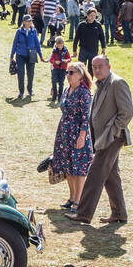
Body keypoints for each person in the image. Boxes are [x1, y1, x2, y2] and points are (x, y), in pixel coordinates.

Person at [65, 55, 131, 225]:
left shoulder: (117, 83)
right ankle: (119, 213)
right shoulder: (100, 84)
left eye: (100, 66)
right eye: (94, 67)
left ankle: (83, 213)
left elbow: (127, 112)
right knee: (111, 176)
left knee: (95, 173)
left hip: (112, 137)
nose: (97, 70)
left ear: (109, 66)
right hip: (102, 137)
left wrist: (113, 131)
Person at [48, 62, 94, 211]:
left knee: (78, 168)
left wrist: (82, 136)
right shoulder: (67, 89)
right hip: (64, 133)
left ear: (80, 75)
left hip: (78, 134)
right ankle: (72, 197)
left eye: (71, 72)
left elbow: (85, 117)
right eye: (67, 72)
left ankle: (78, 200)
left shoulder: (84, 93)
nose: (67, 75)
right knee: (68, 166)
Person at [10, 15, 42, 100]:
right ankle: (21, 92)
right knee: (21, 74)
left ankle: (30, 90)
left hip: (31, 54)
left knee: (30, 74)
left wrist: (41, 56)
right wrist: (11, 55)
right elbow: (14, 44)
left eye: (30, 21)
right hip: (20, 55)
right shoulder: (19, 31)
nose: (30, 22)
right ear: (24, 22)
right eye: (28, 21)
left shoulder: (34, 31)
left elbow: (37, 44)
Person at [72, 7, 106, 73]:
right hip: (83, 50)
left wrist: (103, 48)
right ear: (87, 16)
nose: (93, 17)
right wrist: (74, 50)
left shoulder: (98, 25)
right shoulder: (81, 25)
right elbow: (76, 38)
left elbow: (102, 37)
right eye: (91, 15)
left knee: (91, 69)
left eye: (94, 16)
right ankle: (81, 82)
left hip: (94, 50)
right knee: (81, 68)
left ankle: (89, 82)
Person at [48, 36, 71, 105]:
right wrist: (55, 62)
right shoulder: (54, 51)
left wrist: (66, 60)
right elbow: (51, 60)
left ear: (63, 44)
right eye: (58, 45)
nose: (60, 47)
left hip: (63, 69)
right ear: (56, 44)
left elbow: (69, 58)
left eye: (61, 45)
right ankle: (54, 94)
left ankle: (60, 96)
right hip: (55, 68)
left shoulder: (65, 51)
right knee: (54, 81)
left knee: (61, 83)